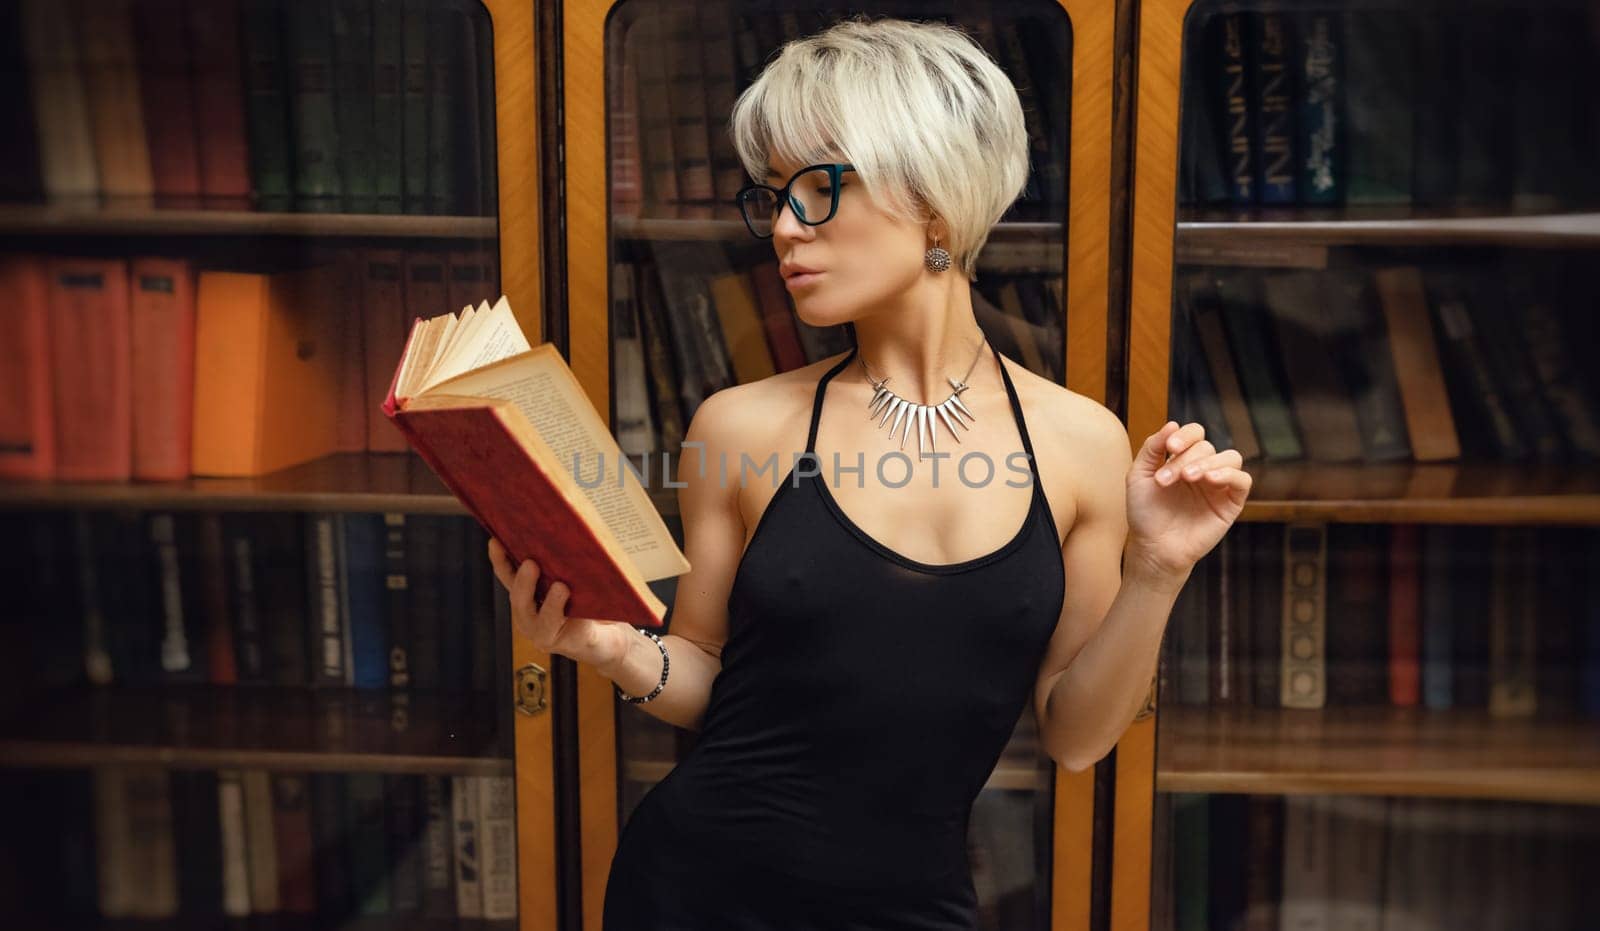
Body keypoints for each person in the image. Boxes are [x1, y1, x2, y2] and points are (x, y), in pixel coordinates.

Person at [486, 14, 1251, 930]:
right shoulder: (739, 427)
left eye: (814, 189)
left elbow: (1078, 736)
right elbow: (704, 673)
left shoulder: (1080, 442)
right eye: (769, 196)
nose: (780, 227)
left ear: (934, 199)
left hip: (914, 906)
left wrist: (1158, 572)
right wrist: (608, 648)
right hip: (694, 892)